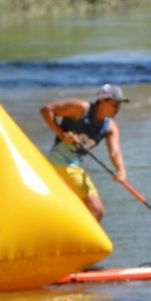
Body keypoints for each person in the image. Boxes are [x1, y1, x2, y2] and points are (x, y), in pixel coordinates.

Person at [39, 84, 131, 222]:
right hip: (60, 162)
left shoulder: (111, 127)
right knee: (95, 210)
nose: (118, 109)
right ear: (102, 101)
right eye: (115, 104)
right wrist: (62, 134)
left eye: (119, 105)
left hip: (76, 166)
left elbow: (115, 152)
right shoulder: (80, 108)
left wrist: (121, 171)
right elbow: (46, 110)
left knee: (97, 212)